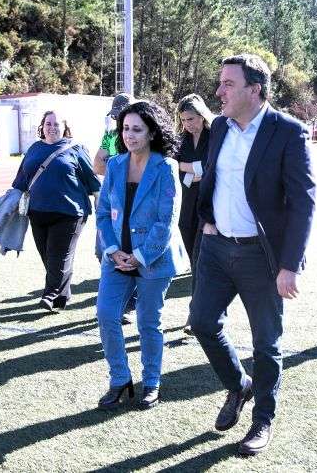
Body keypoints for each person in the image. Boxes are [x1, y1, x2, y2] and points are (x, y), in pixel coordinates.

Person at [189, 54, 316, 456]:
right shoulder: (220, 126)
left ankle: (263, 420)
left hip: (261, 256)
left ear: (254, 90)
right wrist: (207, 220)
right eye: (220, 83)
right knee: (202, 322)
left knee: (266, 343)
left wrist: (289, 265)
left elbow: (303, 202)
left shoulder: (288, 132)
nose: (219, 91)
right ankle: (238, 385)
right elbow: (212, 178)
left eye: (228, 84)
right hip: (216, 248)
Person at [95, 101, 185, 410]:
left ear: (152, 133)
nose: (129, 135)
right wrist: (112, 250)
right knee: (106, 314)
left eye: (137, 129)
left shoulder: (166, 167)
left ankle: (151, 383)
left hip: (153, 260)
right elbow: (103, 213)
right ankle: (120, 379)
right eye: (125, 129)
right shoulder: (115, 165)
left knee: (148, 322)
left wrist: (140, 256)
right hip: (116, 258)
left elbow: (166, 221)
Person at [12, 111, 101, 311]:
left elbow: (92, 180)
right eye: (48, 123)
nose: (52, 127)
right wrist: (9, 202)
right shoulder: (34, 148)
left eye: (56, 124)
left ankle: (49, 295)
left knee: (58, 256)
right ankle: (62, 295)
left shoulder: (76, 148)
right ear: (42, 127)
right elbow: (22, 179)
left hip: (69, 213)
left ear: (64, 128)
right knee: (47, 256)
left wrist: (101, 204)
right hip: (37, 212)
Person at [94, 92, 137, 324]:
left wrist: (113, 163)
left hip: (135, 202)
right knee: (102, 250)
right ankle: (120, 298)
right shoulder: (110, 135)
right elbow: (97, 165)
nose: (119, 119)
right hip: (112, 202)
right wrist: (116, 164)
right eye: (116, 116)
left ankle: (129, 303)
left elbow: (134, 167)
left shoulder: (141, 133)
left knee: (133, 250)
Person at [174, 93, 214, 333]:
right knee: (194, 262)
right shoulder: (182, 140)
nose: (187, 124)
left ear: (202, 115)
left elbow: (211, 169)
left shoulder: (215, 135)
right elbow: (175, 167)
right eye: (183, 120)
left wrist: (189, 169)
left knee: (200, 262)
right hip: (186, 207)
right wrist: (193, 171)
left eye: (191, 118)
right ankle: (208, 311)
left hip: (208, 208)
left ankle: (195, 315)